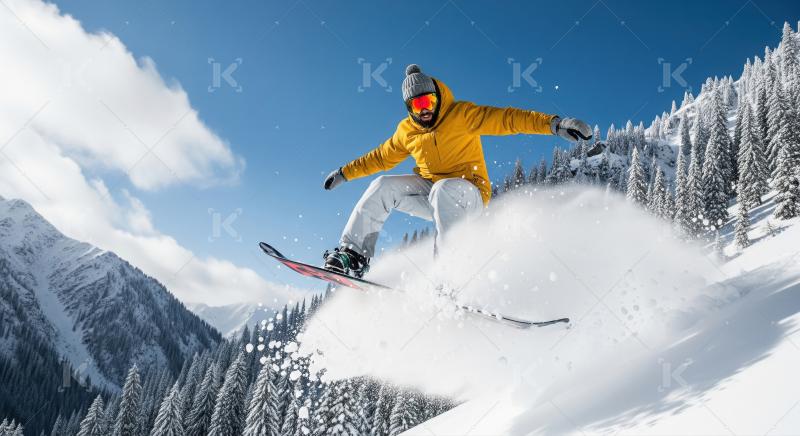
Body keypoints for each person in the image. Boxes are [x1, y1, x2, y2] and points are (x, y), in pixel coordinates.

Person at [322, 64, 592, 277]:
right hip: (432, 195)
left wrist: (554, 124)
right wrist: (345, 172)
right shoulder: (407, 132)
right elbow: (380, 157)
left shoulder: (462, 115)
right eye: (417, 105)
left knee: (444, 189)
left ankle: (450, 272)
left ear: (437, 96)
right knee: (383, 185)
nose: (425, 109)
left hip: (468, 194)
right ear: (409, 108)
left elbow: (508, 119)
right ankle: (353, 255)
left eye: (428, 101)